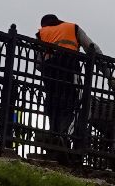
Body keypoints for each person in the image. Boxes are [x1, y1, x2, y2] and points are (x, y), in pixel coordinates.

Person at [35, 14, 102, 145]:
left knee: (53, 104)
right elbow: (93, 49)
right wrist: (108, 74)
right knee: (79, 104)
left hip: (50, 75)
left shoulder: (41, 33)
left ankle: (54, 135)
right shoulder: (72, 28)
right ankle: (64, 136)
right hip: (70, 70)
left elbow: (38, 64)